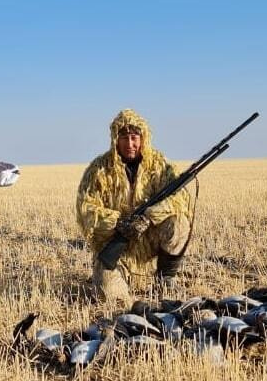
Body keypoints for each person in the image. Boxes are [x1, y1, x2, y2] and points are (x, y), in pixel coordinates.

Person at [76, 108, 193, 305]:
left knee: (179, 223)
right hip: (115, 245)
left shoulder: (159, 164)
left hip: (148, 237)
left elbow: (179, 199)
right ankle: (120, 278)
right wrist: (118, 223)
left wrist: (148, 217)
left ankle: (165, 280)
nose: (130, 144)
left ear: (143, 138)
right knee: (110, 299)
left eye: (134, 137)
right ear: (115, 139)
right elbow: (86, 209)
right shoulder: (99, 169)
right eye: (124, 138)